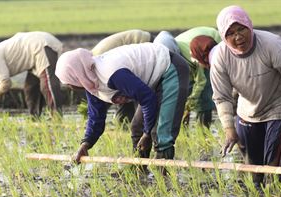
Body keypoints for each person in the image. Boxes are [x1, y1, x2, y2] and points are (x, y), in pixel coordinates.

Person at [210, 6, 281, 188]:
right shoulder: (220, 57)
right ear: (223, 36)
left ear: (249, 26)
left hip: (280, 107)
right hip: (248, 110)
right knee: (255, 173)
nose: (238, 37)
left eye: (241, 29)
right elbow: (222, 97)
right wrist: (229, 129)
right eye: (231, 33)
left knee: (274, 171)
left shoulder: (272, 45)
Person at [55, 42, 189, 162]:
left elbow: (148, 99)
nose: (70, 87)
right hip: (151, 81)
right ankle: (139, 175)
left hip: (169, 68)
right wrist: (86, 144)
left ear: (77, 74)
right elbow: (96, 117)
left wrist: (147, 133)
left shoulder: (112, 73)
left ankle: (164, 181)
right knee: (138, 128)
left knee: (161, 135)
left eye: (69, 82)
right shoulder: (91, 83)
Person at [0, 31, 64, 117]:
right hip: (33, 58)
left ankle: (57, 117)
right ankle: (35, 118)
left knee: (47, 85)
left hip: (40, 46)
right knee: (30, 89)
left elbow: (6, 83)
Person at [91, 29, 152, 123]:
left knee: (135, 91)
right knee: (123, 92)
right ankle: (127, 122)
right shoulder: (92, 62)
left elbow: (110, 90)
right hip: (131, 52)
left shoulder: (99, 62)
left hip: (144, 44)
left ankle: (137, 124)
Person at [174, 27, 221, 129]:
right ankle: (184, 126)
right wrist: (187, 106)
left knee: (204, 93)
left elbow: (201, 81)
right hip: (189, 46)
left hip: (208, 43)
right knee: (188, 90)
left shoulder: (195, 55)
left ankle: (204, 127)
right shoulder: (173, 62)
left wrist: (191, 102)